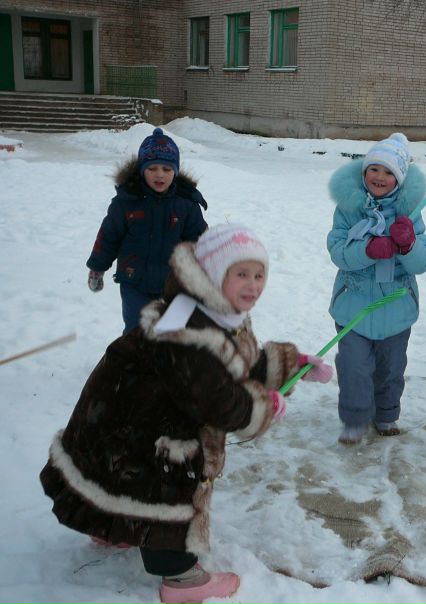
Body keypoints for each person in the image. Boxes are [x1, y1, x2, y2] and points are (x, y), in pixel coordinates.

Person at [40, 224, 333, 604]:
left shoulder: (211, 308)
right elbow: (216, 400)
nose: (253, 285)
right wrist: (263, 408)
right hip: (140, 429)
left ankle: (114, 526)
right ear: (214, 275)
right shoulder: (185, 330)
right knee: (167, 488)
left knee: (122, 481)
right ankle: (180, 578)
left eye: (259, 275)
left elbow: (234, 362)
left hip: (127, 417)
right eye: (241, 274)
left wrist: (292, 365)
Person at [327, 133, 426, 444]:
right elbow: (337, 250)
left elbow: (424, 261)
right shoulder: (349, 209)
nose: (380, 177)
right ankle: (355, 418)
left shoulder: (411, 214)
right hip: (354, 307)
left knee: (390, 368)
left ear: (400, 180)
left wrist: (408, 244)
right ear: (363, 172)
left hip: (396, 308)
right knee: (353, 367)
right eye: (374, 169)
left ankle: (386, 414)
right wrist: (368, 249)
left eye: (389, 172)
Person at [87, 127, 208, 334]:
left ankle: (167, 365)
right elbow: (108, 237)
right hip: (135, 282)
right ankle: (134, 365)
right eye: (152, 168)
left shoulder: (186, 205)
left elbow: (201, 243)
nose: (159, 175)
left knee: (173, 331)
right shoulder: (126, 202)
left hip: (174, 284)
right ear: (142, 169)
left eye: (166, 169)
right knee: (137, 331)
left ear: (175, 172)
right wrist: (97, 268)